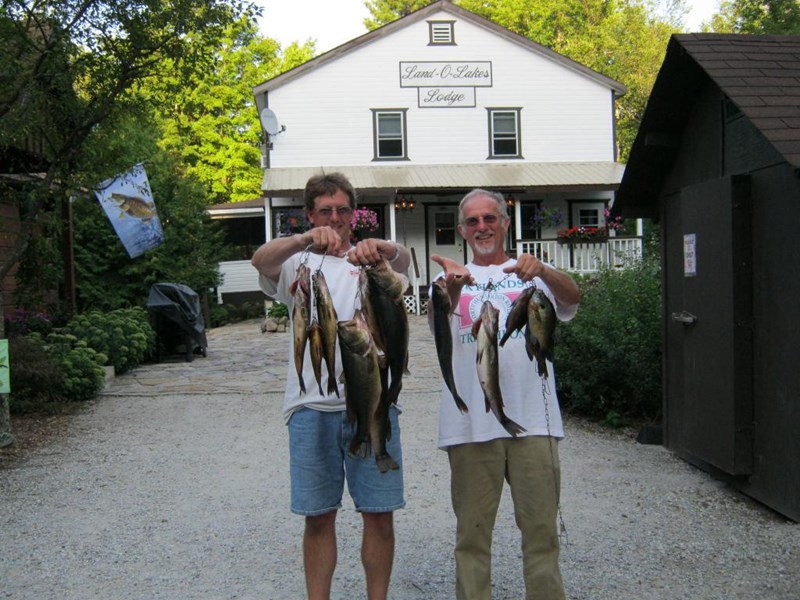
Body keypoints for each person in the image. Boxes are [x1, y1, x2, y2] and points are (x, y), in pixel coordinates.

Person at [251, 172, 411, 600]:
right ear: (310, 213)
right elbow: (260, 260)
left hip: (374, 400)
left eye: (342, 209)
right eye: (325, 210)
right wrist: (305, 238)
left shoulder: (373, 263)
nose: (335, 217)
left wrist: (385, 248)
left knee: (379, 514)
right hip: (310, 408)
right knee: (318, 516)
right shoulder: (295, 265)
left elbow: (406, 262)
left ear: (354, 212)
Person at [428, 188, 580, 600]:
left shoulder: (533, 273)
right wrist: (455, 291)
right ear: (461, 229)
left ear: (506, 222)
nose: (482, 227)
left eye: (490, 218)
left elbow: (571, 300)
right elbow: (438, 322)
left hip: (535, 422)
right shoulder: (448, 279)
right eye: (473, 221)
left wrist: (544, 271)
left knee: (542, 533)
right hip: (469, 429)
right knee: (472, 539)